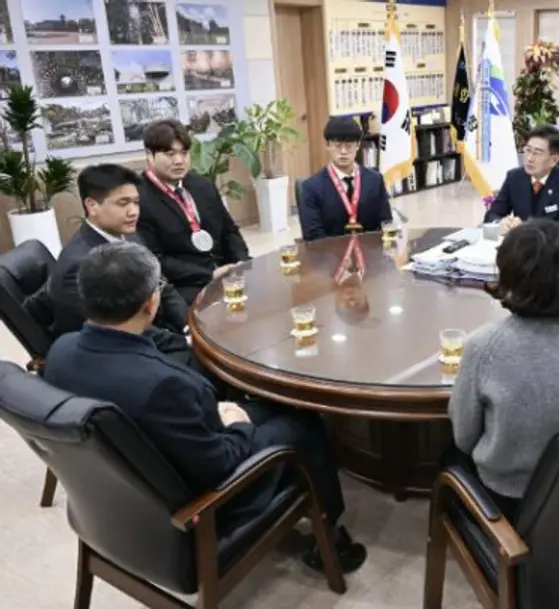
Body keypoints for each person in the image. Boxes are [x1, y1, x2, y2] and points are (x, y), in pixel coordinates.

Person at [42, 241, 367, 573]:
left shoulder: (60, 352)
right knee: (303, 423)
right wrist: (238, 424)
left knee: (269, 405)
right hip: (202, 503)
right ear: (151, 303)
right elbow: (219, 466)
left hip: (122, 493)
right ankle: (330, 540)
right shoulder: (162, 387)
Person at [448, 219, 559, 518]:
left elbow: (464, 438)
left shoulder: (484, 346)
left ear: (507, 276)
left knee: (447, 454)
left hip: (511, 497)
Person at [48, 164, 189, 354]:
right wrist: (185, 342)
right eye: (123, 203)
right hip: (121, 351)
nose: (134, 211)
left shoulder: (128, 234)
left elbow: (162, 285)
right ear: (92, 206)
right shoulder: (81, 264)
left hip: (157, 330)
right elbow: (116, 329)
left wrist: (187, 325)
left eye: (136, 202)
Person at [137, 119, 250, 304]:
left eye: (184, 153)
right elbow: (155, 260)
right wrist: (209, 274)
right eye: (170, 154)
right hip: (185, 285)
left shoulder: (203, 185)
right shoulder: (138, 198)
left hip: (226, 272)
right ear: (150, 155)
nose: (179, 161)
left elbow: (229, 231)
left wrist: (241, 262)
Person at [300, 117, 392, 241]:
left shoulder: (375, 180)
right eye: (337, 146)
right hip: (329, 252)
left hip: (370, 250)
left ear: (358, 145)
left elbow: (385, 223)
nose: (343, 152)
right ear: (327, 145)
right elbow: (313, 235)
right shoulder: (311, 188)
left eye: (349, 146)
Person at [484, 124, 559, 236]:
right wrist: (500, 223)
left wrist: (529, 227)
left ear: (554, 160)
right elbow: (492, 215)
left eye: (537, 153)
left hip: (551, 245)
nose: (529, 158)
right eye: (528, 150)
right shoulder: (514, 177)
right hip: (520, 244)